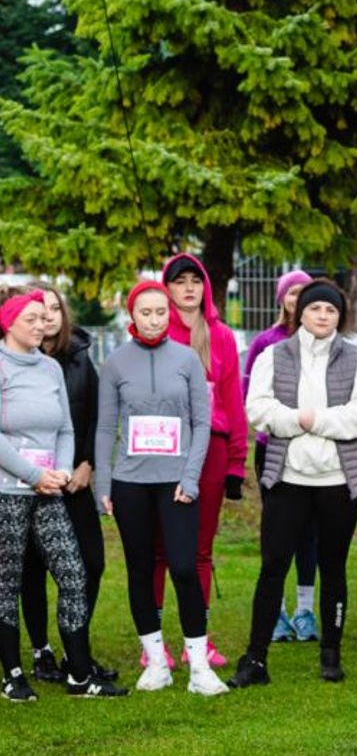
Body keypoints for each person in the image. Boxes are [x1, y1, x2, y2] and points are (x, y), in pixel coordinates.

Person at [231, 280, 357, 688]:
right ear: (301, 312)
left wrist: (316, 420)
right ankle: (256, 659)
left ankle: (331, 653)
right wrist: (298, 420)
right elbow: (258, 409)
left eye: (330, 311)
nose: (322, 316)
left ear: (339, 316)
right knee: (273, 567)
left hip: (338, 482)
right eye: (315, 309)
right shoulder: (274, 356)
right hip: (288, 479)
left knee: (333, 566)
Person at [95, 281, 226, 695]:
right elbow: (104, 427)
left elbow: (202, 423)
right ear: (131, 314)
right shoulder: (115, 363)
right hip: (131, 482)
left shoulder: (187, 359)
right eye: (145, 312)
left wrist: (190, 477)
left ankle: (199, 665)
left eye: (160, 312)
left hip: (176, 484)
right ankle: (155, 661)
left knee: (185, 568)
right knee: (139, 570)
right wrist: (103, 482)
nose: (153, 319)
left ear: (170, 314)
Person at [1, 290, 124, 701]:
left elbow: (66, 428)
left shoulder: (49, 368)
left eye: (44, 318)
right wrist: (34, 474)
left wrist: (63, 470)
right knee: (8, 583)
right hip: (9, 491)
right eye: (31, 319)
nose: (41, 325)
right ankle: (14, 675)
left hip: (49, 490)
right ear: (9, 322)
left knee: (74, 575)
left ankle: (79, 675)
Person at [156, 254, 246, 669]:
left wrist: (235, 464)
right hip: (164, 448)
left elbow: (233, 401)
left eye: (196, 280)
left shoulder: (221, 336)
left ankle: (200, 638)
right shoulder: (157, 331)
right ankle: (153, 644)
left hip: (211, 446)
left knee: (200, 550)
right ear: (167, 288)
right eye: (180, 281)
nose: (188, 288)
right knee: (159, 548)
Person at [20, 284, 109, 687]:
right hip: (29, 481)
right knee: (32, 570)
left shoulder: (79, 359)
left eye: (55, 308)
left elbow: (94, 416)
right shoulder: (20, 361)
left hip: (74, 481)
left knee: (92, 563)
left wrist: (87, 463)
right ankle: (42, 651)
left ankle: (79, 648)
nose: (49, 317)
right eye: (40, 311)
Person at [243, 269, 319, 644]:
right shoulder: (266, 342)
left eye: (304, 293)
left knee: (310, 532)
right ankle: (277, 611)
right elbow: (249, 391)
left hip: (316, 448)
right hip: (272, 446)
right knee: (277, 531)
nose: (297, 299)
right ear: (282, 299)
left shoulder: (323, 340)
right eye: (292, 293)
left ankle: (307, 609)